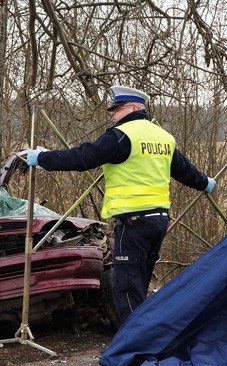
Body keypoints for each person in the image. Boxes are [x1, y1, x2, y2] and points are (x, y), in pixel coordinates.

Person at [24, 85, 216, 322]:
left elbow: (83, 157)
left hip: (133, 223)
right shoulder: (163, 137)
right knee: (139, 284)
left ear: (134, 108)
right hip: (158, 221)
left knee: (126, 290)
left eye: (117, 109)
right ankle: (144, 335)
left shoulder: (122, 136)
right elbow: (184, 171)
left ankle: (134, 341)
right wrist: (204, 182)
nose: (113, 114)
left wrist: (42, 158)